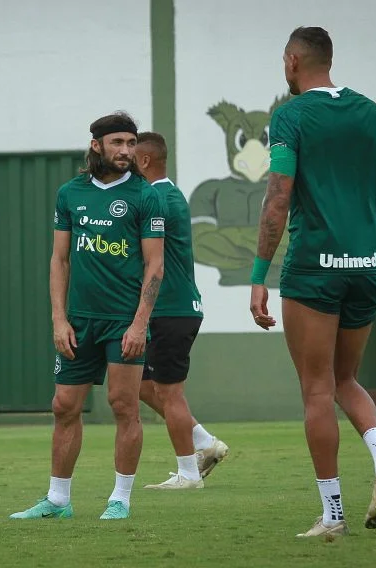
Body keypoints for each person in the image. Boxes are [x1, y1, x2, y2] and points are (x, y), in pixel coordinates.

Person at [249, 27, 376, 538]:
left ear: (293, 61)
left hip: (314, 270)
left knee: (317, 390)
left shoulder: (290, 117)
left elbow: (278, 198)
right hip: (367, 268)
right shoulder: (371, 112)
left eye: (285, 61)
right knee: (345, 381)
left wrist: (258, 275)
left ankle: (333, 516)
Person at [10, 112, 165, 521]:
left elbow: (155, 266)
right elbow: (59, 260)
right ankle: (57, 501)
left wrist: (139, 324)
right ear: (97, 145)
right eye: (118, 143)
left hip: (123, 321)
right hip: (80, 320)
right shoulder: (70, 193)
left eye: (131, 143)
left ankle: (121, 498)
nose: (126, 151)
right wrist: (59, 319)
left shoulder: (146, 196)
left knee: (123, 405)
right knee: (63, 405)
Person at [132, 132, 229, 490]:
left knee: (170, 393)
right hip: (172, 309)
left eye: (130, 159)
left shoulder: (157, 198)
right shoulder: (166, 195)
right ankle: (204, 442)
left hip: (171, 310)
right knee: (143, 387)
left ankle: (189, 474)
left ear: (144, 162)